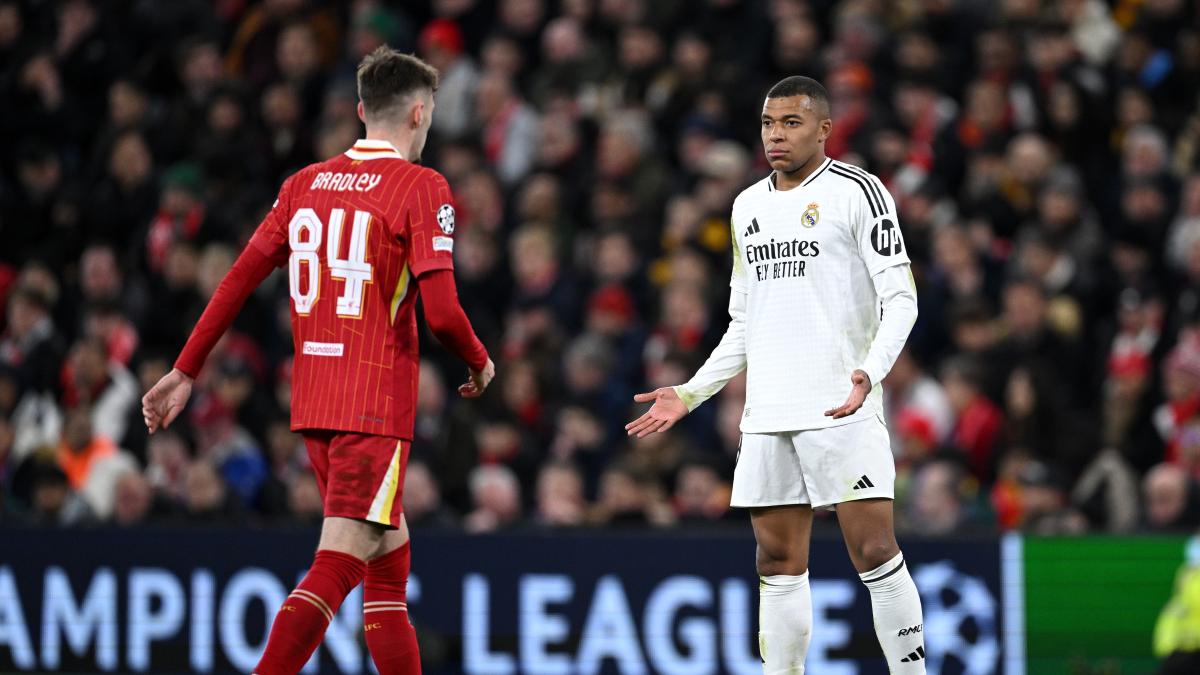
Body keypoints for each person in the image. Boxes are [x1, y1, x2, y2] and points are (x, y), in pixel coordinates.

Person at [142, 46, 495, 675]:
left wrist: (186, 368)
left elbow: (238, 279)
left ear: (361, 110)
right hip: (373, 406)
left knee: (388, 565)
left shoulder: (303, 184)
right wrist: (479, 360)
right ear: (419, 113)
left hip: (315, 404)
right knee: (337, 564)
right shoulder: (422, 187)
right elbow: (442, 314)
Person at [627, 76, 925, 672]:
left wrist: (869, 373)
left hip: (840, 403)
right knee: (777, 562)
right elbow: (744, 323)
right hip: (767, 414)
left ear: (824, 129)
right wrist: (691, 393)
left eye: (791, 122)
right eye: (768, 123)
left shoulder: (859, 192)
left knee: (874, 551)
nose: (776, 135)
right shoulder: (747, 206)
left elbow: (903, 299)